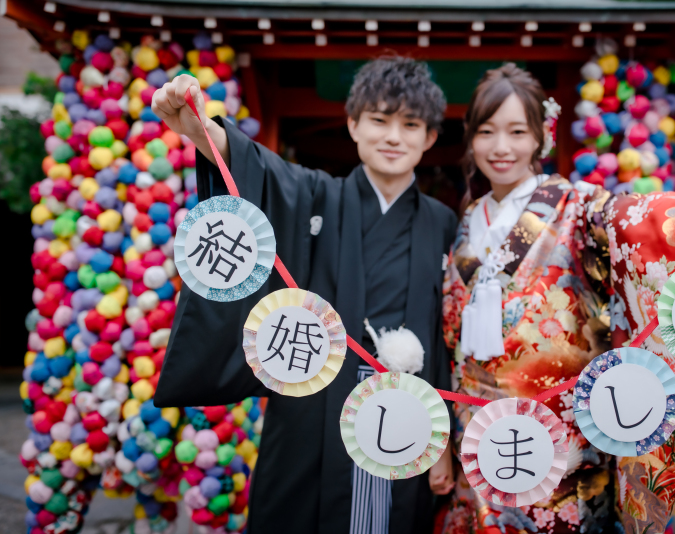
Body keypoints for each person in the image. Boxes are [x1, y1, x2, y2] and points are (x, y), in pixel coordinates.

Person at [437, 64, 675, 534]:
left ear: (541, 137)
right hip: (477, 436)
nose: (501, 147)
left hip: (557, 441)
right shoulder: (469, 219)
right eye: (487, 132)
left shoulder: (576, 206)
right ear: (471, 138)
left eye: (517, 131)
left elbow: (631, 218)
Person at [151, 57, 457, 534]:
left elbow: (443, 337)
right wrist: (202, 131)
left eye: (411, 125)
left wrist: (442, 438)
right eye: (379, 120)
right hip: (314, 400)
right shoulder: (316, 194)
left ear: (431, 137)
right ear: (353, 125)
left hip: (403, 412)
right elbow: (262, 172)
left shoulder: (442, 222)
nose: (394, 137)